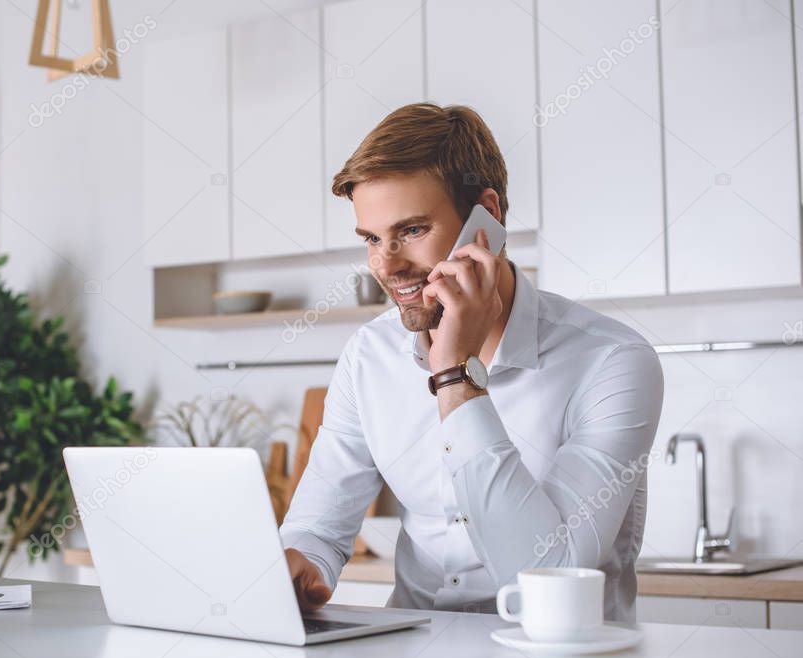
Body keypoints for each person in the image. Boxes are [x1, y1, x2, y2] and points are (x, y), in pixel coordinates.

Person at [280, 103, 663, 623]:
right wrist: (301, 562)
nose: (386, 266)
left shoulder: (612, 362)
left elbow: (545, 576)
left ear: (487, 215)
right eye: (372, 238)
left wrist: (455, 374)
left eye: (411, 230)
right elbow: (319, 528)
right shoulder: (368, 357)